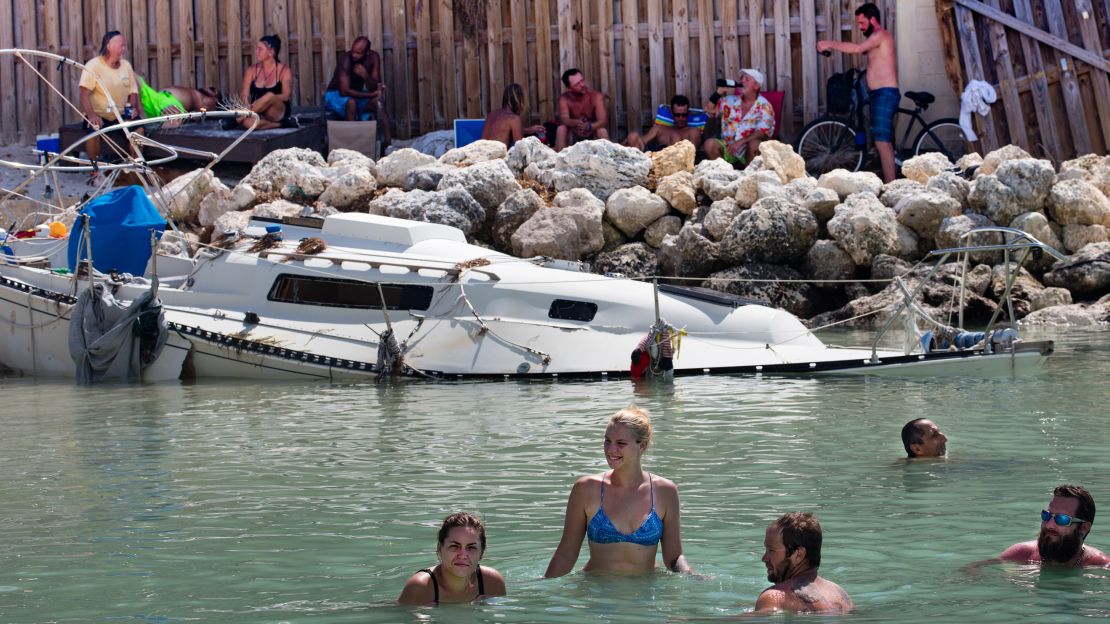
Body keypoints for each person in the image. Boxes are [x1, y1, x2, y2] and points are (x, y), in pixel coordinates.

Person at [544, 406, 695, 577]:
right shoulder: (586, 489)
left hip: (646, 594)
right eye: (607, 440)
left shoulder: (665, 491)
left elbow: (674, 557)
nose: (610, 449)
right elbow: (566, 554)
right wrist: (543, 591)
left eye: (620, 443)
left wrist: (691, 575)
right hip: (596, 591)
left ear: (642, 446)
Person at [817, 3, 898, 183]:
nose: (860, 27)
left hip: (885, 94)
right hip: (878, 94)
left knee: (882, 141)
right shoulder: (876, 40)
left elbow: (856, 49)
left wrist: (828, 43)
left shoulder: (880, 35)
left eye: (862, 23)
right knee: (880, 138)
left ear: (872, 19)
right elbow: (876, 63)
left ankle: (891, 185)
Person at [754, 512, 854, 615]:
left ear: (798, 555)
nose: (764, 558)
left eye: (771, 550)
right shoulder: (840, 595)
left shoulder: (775, 598)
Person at [398, 512, 507, 605]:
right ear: (440, 548)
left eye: (471, 547)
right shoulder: (421, 587)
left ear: (482, 552)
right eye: (454, 546)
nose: (463, 555)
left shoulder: (491, 582)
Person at [998, 484, 1110, 566]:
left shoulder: (1100, 565)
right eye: (1046, 515)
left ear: (1083, 528)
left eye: (1061, 519)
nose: (1049, 525)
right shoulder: (1021, 554)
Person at [78, 30, 143, 162]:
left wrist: (131, 110)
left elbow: (133, 92)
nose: (124, 49)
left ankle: (135, 164)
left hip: (121, 114)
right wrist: (91, 116)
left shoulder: (126, 66)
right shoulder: (93, 65)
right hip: (99, 115)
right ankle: (95, 170)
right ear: (109, 46)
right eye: (121, 46)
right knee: (94, 130)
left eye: (125, 46)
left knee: (139, 130)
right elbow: (84, 93)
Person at [322, 35, 392, 146]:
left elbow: (374, 86)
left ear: (367, 52)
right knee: (351, 103)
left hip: (356, 94)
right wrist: (370, 95)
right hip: (335, 95)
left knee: (379, 103)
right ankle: (352, 146)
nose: (354, 55)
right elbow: (344, 91)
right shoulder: (345, 59)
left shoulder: (373, 57)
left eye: (358, 53)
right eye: (353, 51)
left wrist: (365, 75)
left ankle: (389, 145)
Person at [701, 69, 774, 167]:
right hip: (728, 147)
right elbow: (709, 109)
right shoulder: (729, 101)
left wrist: (740, 142)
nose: (742, 81)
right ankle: (723, 174)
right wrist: (718, 92)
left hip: (748, 148)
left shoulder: (765, 106)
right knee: (710, 144)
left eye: (747, 79)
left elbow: (763, 132)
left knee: (754, 144)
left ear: (756, 86)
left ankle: (749, 177)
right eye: (741, 78)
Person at [234, 35, 294, 130]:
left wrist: (264, 100)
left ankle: (238, 119)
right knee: (248, 124)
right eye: (256, 48)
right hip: (257, 111)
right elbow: (244, 94)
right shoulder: (251, 70)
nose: (256, 51)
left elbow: (286, 96)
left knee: (269, 95)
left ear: (271, 52)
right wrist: (249, 105)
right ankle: (282, 124)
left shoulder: (284, 71)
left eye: (260, 49)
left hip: (276, 111)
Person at [555, 68, 609, 151]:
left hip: (592, 132)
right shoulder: (565, 99)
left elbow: (603, 121)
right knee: (561, 129)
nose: (582, 85)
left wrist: (589, 126)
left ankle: (608, 157)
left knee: (602, 130)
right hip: (574, 133)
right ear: (569, 88)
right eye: (577, 84)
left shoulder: (596, 96)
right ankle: (560, 159)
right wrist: (577, 123)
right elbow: (564, 119)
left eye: (582, 81)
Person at [623, 95, 703, 151]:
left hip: (679, 163)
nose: (680, 118)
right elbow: (641, 142)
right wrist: (630, 140)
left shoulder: (693, 131)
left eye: (684, 115)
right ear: (672, 113)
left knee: (676, 138)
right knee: (633, 136)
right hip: (655, 160)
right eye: (677, 115)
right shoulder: (659, 129)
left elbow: (692, 152)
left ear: (688, 113)